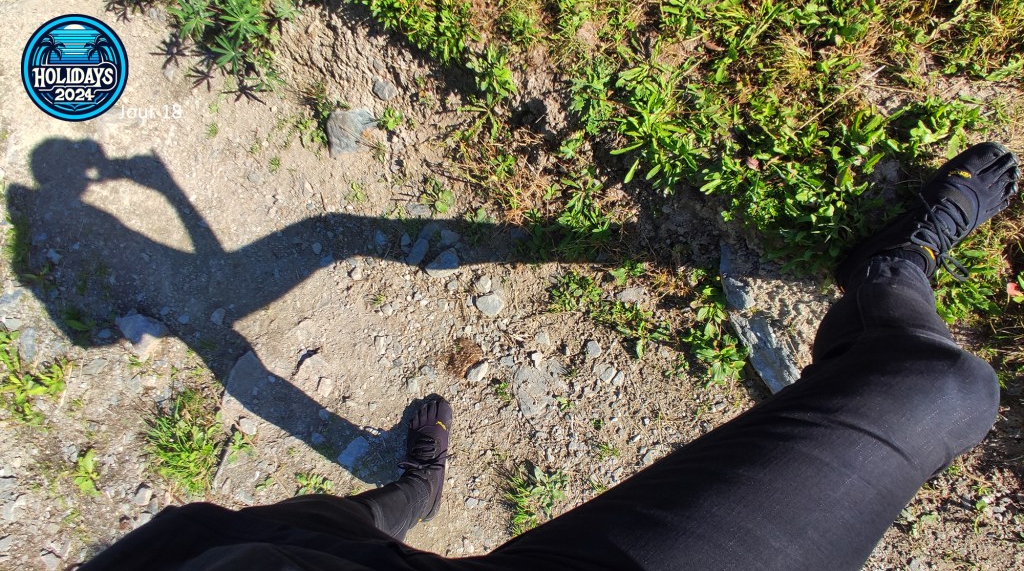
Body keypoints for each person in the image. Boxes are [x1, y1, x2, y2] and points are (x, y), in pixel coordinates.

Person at [79, 142, 1020, 571]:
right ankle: (886, 275)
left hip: (252, 563)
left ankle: (417, 488)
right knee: (938, 390)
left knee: (348, 529)